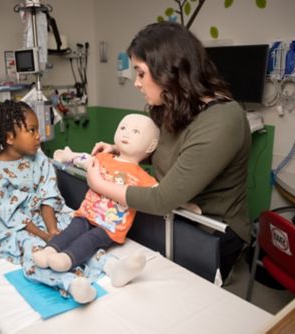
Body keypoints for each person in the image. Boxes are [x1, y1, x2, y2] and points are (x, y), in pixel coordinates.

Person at [86, 21, 252, 281]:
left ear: (168, 70)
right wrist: (120, 149)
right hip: (174, 219)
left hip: (210, 231)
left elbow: (163, 198)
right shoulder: (177, 105)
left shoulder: (222, 120)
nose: (136, 83)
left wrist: (98, 183)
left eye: (141, 73)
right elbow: (173, 151)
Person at [0, 100, 109, 304]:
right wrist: (43, 236)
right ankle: (70, 283)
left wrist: (53, 230)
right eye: (31, 130)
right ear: (9, 137)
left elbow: (47, 193)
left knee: (75, 230)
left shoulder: (39, 158)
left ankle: (108, 264)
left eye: (37, 129)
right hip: (14, 228)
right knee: (34, 251)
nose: (38, 136)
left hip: (44, 219)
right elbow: (10, 215)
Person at [32, 114, 160, 287]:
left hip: (108, 228)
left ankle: (66, 259)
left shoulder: (143, 177)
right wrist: (68, 155)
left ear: (151, 145)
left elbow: (162, 194)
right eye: (123, 128)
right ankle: (49, 250)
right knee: (70, 231)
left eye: (136, 131)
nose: (126, 134)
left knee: (88, 241)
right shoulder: (104, 158)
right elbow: (85, 160)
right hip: (86, 215)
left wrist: (184, 204)